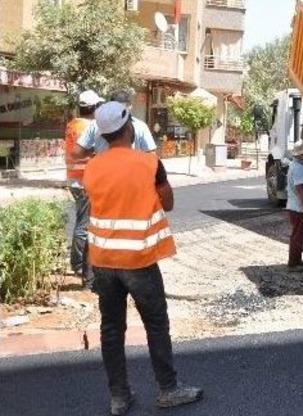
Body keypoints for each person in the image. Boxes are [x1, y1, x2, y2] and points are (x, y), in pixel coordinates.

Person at [83, 102, 202, 415]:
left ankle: (119, 398)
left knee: (111, 329)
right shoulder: (149, 163)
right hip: (140, 260)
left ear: (104, 135)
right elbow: (169, 202)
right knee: (156, 325)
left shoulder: (92, 167)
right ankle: (168, 390)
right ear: (128, 128)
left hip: (104, 261)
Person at [65, 90, 104, 289]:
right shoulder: (88, 127)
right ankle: (79, 264)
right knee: (84, 225)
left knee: (81, 221)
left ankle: (76, 262)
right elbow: (88, 152)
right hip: (85, 181)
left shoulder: (73, 124)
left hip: (75, 179)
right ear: (93, 107)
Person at [74, 88, 157, 158]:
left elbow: (77, 152)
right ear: (130, 106)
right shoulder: (140, 126)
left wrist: (95, 153)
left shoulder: (95, 124)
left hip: (102, 173)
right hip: (131, 174)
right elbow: (151, 156)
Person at [285, 140, 303, 272]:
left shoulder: (299, 166)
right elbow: (299, 190)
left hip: (297, 207)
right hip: (298, 208)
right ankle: (294, 264)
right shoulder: (297, 168)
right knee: (298, 236)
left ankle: (297, 261)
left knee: (299, 235)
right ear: (301, 154)